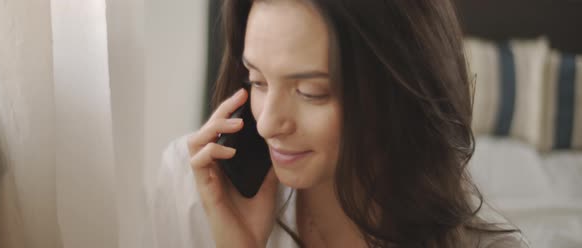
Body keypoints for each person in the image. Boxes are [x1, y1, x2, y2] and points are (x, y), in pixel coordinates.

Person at [149, 0, 529, 247]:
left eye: (311, 92)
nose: (267, 125)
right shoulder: (194, 188)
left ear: (396, 94)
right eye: (257, 80)